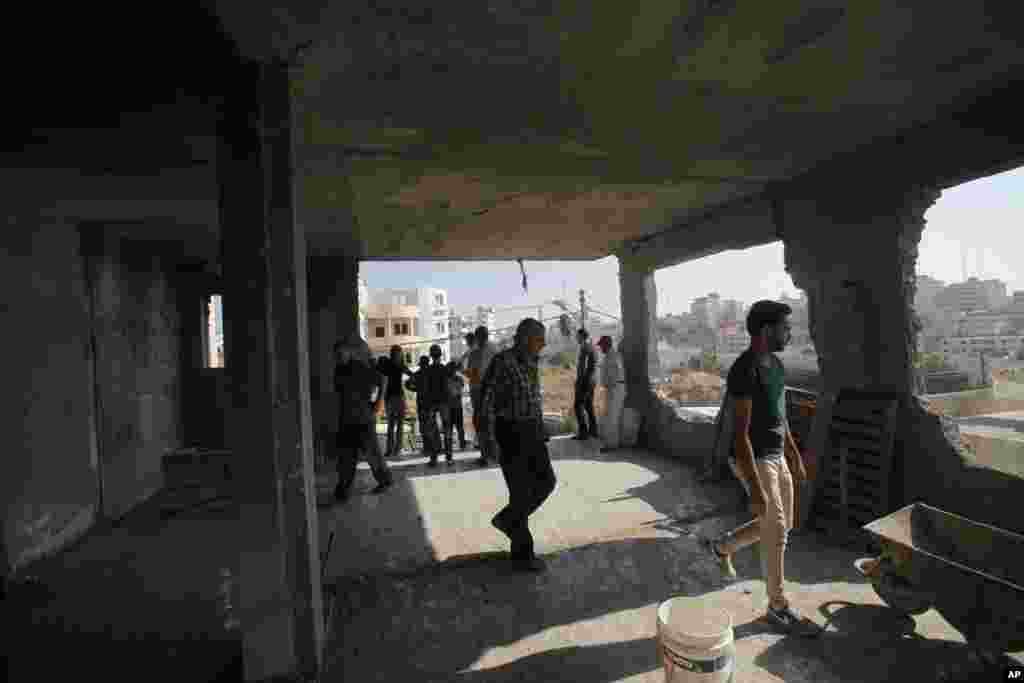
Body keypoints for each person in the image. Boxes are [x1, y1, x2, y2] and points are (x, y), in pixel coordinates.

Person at [700, 301, 817, 636]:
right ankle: (778, 607)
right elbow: (739, 435)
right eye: (785, 327)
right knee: (776, 528)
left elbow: (780, 415)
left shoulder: (776, 365)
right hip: (753, 456)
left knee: (780, 522)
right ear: (767, 330)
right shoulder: (744, 370)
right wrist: (754, 487)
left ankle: (723, 546)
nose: (790, 333)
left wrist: (793, 454)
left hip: (777, 453)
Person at [479, 318, 556, 572]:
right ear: (524, 339)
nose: (543, 344)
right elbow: (485, 401)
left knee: (546, 481)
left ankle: (508, 519)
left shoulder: (532, 361)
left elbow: (533, 398)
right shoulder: (502, 362)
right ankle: (523, 555)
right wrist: (488, 439)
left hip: (532, 431)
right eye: (539, 339)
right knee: (521, 492)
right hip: (511, 433)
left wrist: (541, 425)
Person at [332, 335, 393, 502]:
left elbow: (383, 380)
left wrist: (378, 403)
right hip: (346, 419)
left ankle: (385, 481)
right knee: (346, 456)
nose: (337, 358)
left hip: (364, 418)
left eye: (339, 354)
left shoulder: (361, 368)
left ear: (349, 353)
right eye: (335, 355)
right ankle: (343, 489)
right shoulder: (339, 370)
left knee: (372, 453)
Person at [466, 325, 499, 466]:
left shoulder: (474, 354)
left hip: (479, 391)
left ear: (477, 337)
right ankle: (495, 455)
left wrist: (462, 371)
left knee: (480, 422)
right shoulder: (495, 350)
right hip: (494, 390)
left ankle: (485, 456)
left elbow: (473, 375)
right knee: (492, 422)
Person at [378, 345, 414, 458]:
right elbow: (410, 374)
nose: (400, 355)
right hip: (392, 397)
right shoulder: (393, 365)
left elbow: (410, 374)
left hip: (396, 397)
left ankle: (395, 449)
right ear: (394, 354)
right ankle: (392, 449)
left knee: (398, 424)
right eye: (399, 353)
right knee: (393, 425)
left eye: (400, 353)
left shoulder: (396, 365)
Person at [424, 344, 454, 465]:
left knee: (432, 430)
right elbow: (448, 385)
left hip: (432, 403)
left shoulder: (428, 370)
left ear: (431, 356)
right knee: (447, 429)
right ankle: (449, 457)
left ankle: (434, 457)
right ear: (440, 355)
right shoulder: (444, 369)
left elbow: (426, 388)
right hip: (444, 402)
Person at [406, 356, 438, 462]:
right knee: (431, 426)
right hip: (430, 403)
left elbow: (407, 384)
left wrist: (415, 389)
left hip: (422, 403)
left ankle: (428, 448)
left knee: (424, 426)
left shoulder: (418, 374)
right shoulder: (431, 373)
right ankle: (435, 448)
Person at [596, 335, 625, 452]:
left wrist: (610, 384)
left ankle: (611, 444)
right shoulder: (609, 355)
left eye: (601, 345)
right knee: (610, 415)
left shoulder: (613, 356)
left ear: (606, 345)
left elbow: (616, 372)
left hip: (615, 387)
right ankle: (611, 442)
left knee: (612, 416)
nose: (600, 348)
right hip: (612, 388)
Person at [573, 328, 598, 440]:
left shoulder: (585, 348)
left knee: (578, 406)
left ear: (581, 336)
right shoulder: (592, 347)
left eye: (577, 336)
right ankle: (593, 430)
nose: (576, 338)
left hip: (585, 381)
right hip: (591, 380)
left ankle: (583, 433)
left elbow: (584, 367)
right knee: (588, 406)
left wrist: (580, 381)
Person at [446, 359, 468, 451]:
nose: (452, 370)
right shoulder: (458, 378)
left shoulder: (448, 379)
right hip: (455, 406)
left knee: (452, 427)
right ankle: (461, 444)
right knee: (458, 426)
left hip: (451, 406)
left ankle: (453, 445)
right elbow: (459, 390)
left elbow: (458, 390)